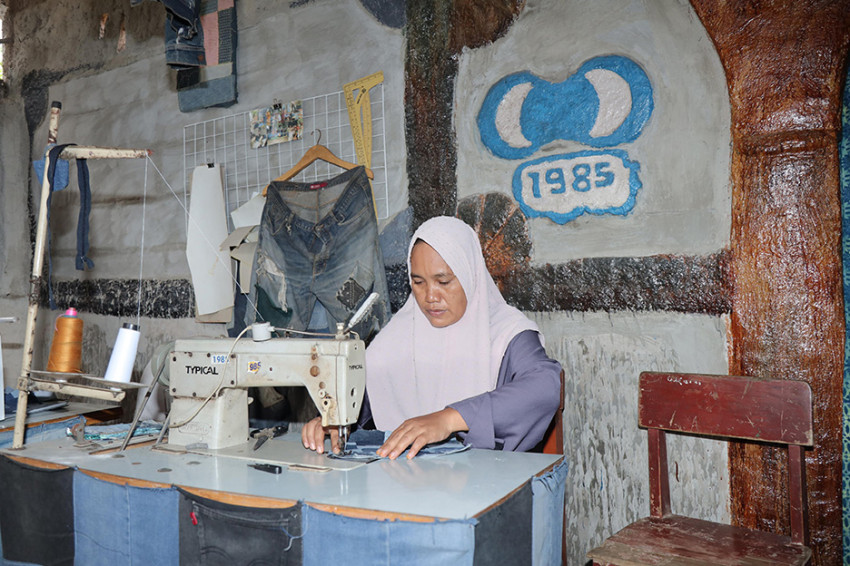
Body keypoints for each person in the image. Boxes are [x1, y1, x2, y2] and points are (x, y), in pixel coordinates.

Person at [301, 216, 562, 459]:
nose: (430, 297)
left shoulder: (506, 334)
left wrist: (449, 419)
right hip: (407, 482)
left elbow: (544, 387)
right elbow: (363, 402)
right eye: (418, 282)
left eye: (444, 281)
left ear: (470, 275)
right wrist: (333, 420)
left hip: (483, 484)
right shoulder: (396, 338)